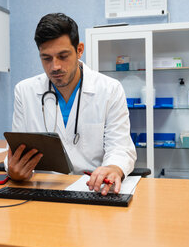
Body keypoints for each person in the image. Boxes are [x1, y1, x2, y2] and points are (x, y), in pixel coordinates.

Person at [7, 13, 136, 195]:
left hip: (93, 189)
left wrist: (114, 167)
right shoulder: (25, 91)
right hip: (45, 190)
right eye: (46, 58)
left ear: (79, 50)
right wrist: (14, 170)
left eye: (63, 56)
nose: (55, 66)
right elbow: (15, 152)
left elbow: (120, 147)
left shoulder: (110, 89)